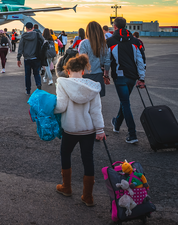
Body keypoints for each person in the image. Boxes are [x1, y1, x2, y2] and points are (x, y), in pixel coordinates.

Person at [54, 54, 105, 207]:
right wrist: (100, 130)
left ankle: (67, 187)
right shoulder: (92, 86)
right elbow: (96, 111)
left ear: (68, 71)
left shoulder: (62, 84)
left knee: (65, 154)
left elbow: (61, 107)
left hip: (70, 129)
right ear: (83, 71)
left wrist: (51, 109)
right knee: (87, 159)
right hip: (88, 130)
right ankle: (88, 196)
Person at [107, 17, 146, 144]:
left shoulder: (110, 41)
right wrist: (141, 78)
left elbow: (107, 60)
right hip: (132, 77)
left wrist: (105, 74)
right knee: (124, 102)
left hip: (120, 77)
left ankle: (132, 134)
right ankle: (116, 124)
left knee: (125, 104)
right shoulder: (135, 41)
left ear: (115, 26)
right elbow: (140, 60)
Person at [78, 21, 111, 97]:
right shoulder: (103, 44)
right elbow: (107, 61)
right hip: (98, 75)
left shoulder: (84, 43)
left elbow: (81, 61)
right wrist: (106, 75)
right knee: (97, 103)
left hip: (86, 75)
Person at [17, 22, 44, 95]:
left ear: (26, 28)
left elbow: (20, 48)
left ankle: (28, 90)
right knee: (36, 73)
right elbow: (44, 42)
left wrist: (18, 58)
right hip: (36, 58)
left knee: (27, 75)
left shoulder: (23, 36)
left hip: (27, 59)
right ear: (32, 28)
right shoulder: (37, 34)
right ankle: (39, 86)